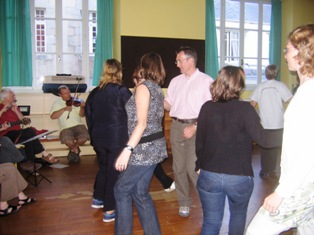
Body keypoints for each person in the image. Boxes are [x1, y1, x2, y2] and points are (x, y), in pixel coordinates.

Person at [195, 66, 283, 235]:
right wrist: (290, 132)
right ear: (239, 85)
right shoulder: (245, 110)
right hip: (239, 177)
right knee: (237, 217)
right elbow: (265, 140)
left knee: (211, 223)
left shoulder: (206, 107)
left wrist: (199, 164)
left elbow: (200, 142)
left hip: (208, 175)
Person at [246, 24, 314, 235]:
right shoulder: (303, 90)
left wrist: (281, 192)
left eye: (288, 49)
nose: (285, 55)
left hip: (301, 185)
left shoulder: (308, 95)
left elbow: (308, 151)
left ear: (303, 52)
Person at [114, 52, 167, 235]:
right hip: (154, 147)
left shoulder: (144, 88)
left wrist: (127, 150)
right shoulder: (156, 88)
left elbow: (142, 123)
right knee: (140, 193)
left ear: (143, 66)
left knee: (121, 190)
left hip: (144, 150)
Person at [164, 46, 213, 217]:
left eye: (179, 60)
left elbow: (210, 110)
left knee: (193, 168)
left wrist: (195, 126)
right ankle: (184, 202)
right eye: (177, 61)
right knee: (178, 168)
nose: (177, 64)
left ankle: (207, 203)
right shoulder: (175, 81)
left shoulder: (207, 81)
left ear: (190, 60)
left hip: (196, 127)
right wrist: (155, 98)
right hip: (177, 126)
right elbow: (169, 104)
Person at [85, 59, 132, 222]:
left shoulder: (94, 92)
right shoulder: (122, 91)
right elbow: (133, 115)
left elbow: (88, 116)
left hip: (98, 137)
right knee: (114, 172)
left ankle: (98, 198)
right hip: (116, 138)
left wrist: (93, 136)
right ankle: (110, 210)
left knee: (104, 167)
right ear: (119, 71)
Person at [132, 70, 175, 193]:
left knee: (123, 187)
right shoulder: (146, 91)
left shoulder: (147, 91)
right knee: (149, 164)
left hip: (146, 136)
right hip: (148, 136)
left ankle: (165, 181)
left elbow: (168, 107)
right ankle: (165, 181)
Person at [0, 88, 59, 172]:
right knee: (30, 132)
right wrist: (2, 110)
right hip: (6, 135)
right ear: (6, 98)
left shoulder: (14, 107)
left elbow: (25, 122)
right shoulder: (0, 107)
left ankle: (30, 165)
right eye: (12, 95)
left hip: (19, 133)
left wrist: (16, 111)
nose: (15, 96)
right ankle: (44, 154)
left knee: (29, 138)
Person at [250, 64, 292, 180]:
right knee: (275, 148)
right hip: (278, 122)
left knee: (264, 147)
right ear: (276, 73)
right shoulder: (280, 86)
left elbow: (252, 104)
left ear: (266, 73)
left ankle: (265, 171)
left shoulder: (260, 87)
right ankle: (272, 170)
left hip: (264, 123)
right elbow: (290, 99)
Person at [50, 85, 90, 163]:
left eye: (68, 92)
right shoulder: (57, 103)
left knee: (84, 137)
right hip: (65, 127)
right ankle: (76, 150)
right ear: (60, 95)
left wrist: (82, 107)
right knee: (68, 140)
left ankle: (73, 149)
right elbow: (53, 116)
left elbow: (82, 115)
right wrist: (64, 109)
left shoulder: (76, 101)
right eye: (65, 93)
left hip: (78, 125)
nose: (68, 94)